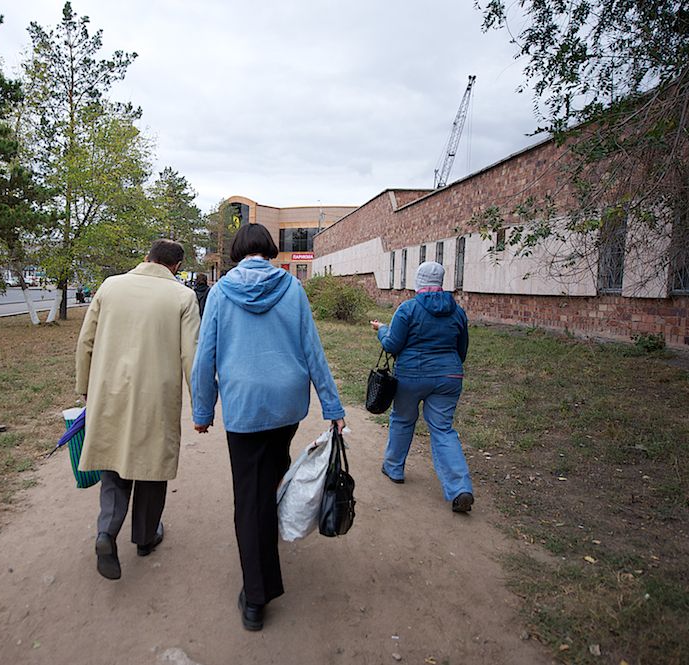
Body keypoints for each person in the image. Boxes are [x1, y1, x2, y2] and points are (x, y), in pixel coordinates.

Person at [191, 223, 345, 631]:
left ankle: (257, 595)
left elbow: (205, 354)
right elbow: (312, 347)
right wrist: (332, 404)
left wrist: (203, 410)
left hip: (244, 408)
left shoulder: (222, 292)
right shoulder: (292, 288)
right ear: (271, 250)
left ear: (239, 252)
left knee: (250, 496)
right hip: (286, 406)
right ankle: (268, 532)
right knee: (271, 473)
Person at [75, 239, 201, 580]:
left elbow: (86, 341)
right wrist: (201, 403)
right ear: (175, 267)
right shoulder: (183, 297)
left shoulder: (110, 286)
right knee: (151, 468)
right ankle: (145, 538)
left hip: (110, 392)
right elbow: (191, 354)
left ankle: (106, 532)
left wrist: (85, 388)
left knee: (113, 466)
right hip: (155, 398)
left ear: (146, 258)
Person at [369, 261, 474, 513]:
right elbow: (462, 350)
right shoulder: (457, 312)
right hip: (449, 376)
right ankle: (460, 488)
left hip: (411, 377)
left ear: (418, 281)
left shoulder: (408, 309)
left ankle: (394, 468)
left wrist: (381, 330)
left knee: (403, 420)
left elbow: (392, 345)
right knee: (443, 429)